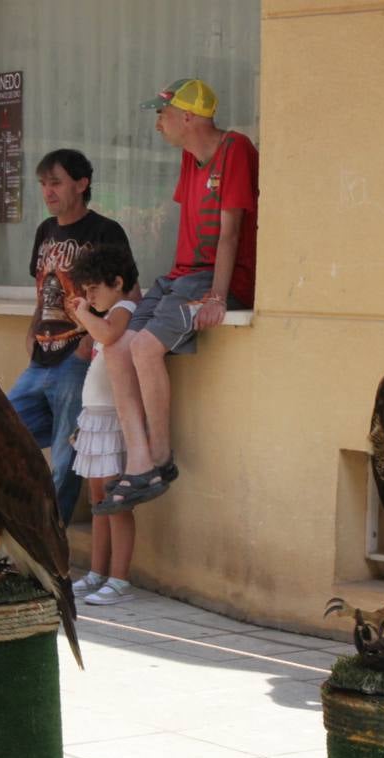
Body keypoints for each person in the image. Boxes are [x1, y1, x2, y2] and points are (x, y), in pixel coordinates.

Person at [98, 78, 258, 514]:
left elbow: (231, 234)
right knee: (116, 346)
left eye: (162, 114)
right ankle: (140, 459)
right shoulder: (191, 159)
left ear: (188, 117)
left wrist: (218, 297)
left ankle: (161, 458)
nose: (158, 124)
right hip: (179, 277)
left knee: (146, 348)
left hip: (212, 280)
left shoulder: (235, 149)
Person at [10, 148, 137, 524]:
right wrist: (33, 328)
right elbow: (43, 287)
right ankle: (20, 519)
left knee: (65, 459)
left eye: (56, 183)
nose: (48, 192)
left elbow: (131, 294)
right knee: (1, 430)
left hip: (76, 359)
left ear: (81, 184)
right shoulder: (45, 231)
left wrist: (91, 341)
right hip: (40, 357)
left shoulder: (105, 231)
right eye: (43, 184)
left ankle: (54, 535)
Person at [67, 245, 141, 605]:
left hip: (115, 420)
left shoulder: (124, 310)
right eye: (85, 291)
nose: (88, 297)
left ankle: (120, 577)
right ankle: (97, 571)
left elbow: (108, 335)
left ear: (118, 283)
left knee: (116, 500)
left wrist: (82, 314)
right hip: (95, 418)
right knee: (98, 500)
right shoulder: (105, 316)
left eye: (94, 289)